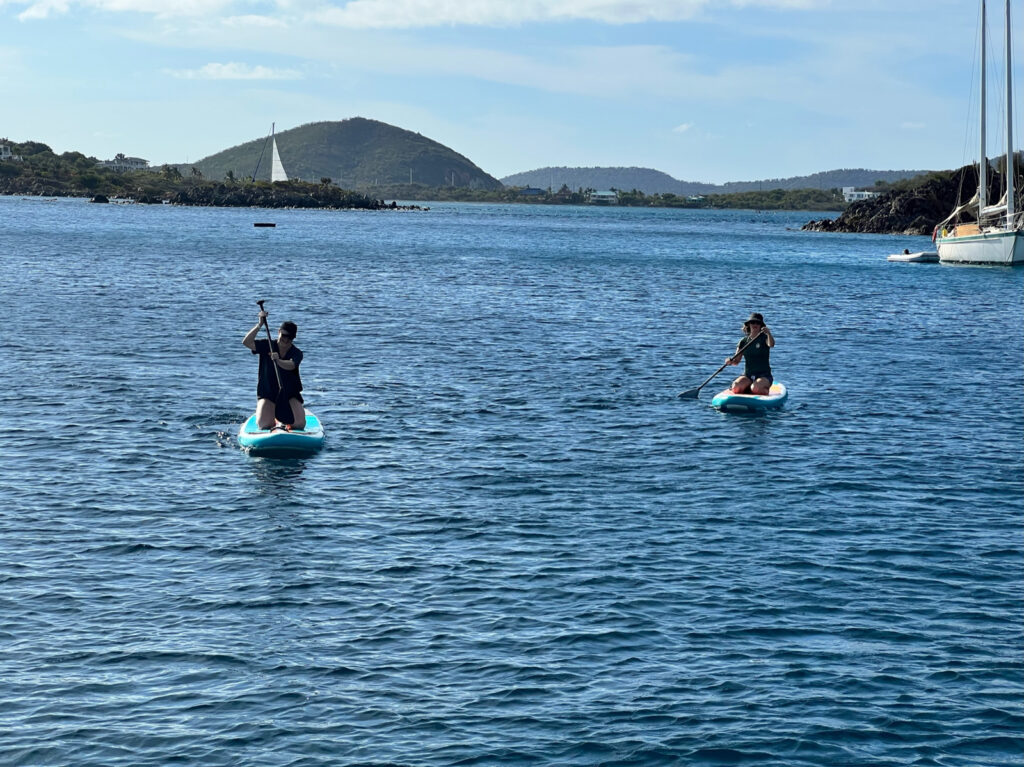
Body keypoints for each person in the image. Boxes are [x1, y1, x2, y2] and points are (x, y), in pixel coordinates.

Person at [242, 311, 305, 430]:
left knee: (299, 424)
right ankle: (274, 418)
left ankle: (283, 420)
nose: (286, 340)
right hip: (268, 392)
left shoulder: (297, 353)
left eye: (289, 337)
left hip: (289, 394)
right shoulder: (268, 345)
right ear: (279, 332)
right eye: (284, 335)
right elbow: (246, 342)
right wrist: (259, 324)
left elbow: (291, 365)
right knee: (264, 425)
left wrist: (278, 361)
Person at [725, 312, 775, 395]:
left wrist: (769, 333)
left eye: (758, 323)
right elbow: (736, 361)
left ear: (761, 325)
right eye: (752, 322)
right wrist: (730, 361)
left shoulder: (765, 338)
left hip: (764, 376)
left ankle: (763, 391)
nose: (755, 324)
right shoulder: (743, 341)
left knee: (756, 388)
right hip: (748, 375)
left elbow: (771, 344)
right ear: (749, 325)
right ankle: (749, 387)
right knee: (736, 387)